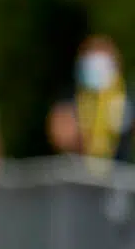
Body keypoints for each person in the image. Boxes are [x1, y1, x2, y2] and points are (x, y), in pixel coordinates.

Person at [47, 36, 133, 166]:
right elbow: (59, 135)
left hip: (120, 173)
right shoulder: (71, 97)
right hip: (79, 175)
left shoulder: (127, 96)